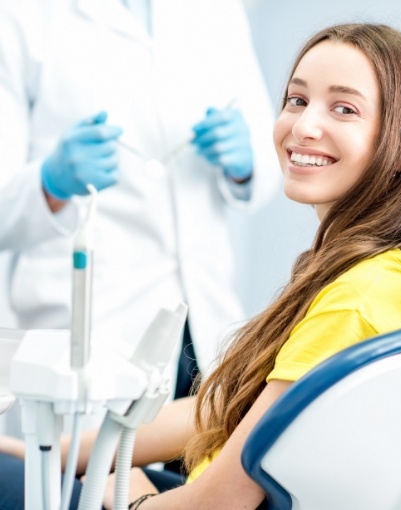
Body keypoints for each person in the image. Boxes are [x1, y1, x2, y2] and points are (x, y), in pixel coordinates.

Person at [0, 22, 401, 509]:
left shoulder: (357, 300)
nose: (302, 126)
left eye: (344, 108)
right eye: (296, 101)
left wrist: (135, 500)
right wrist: (40, 453)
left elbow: (220, 502)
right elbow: (225, 407)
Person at [0, 0, 280, 411]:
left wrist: (247, 161)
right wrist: (49, 182)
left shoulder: (219, 10)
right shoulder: (21, 14)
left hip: (205, 321)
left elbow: (270, 155)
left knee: (199, 462)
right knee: (93, 472)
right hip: (90, 327)